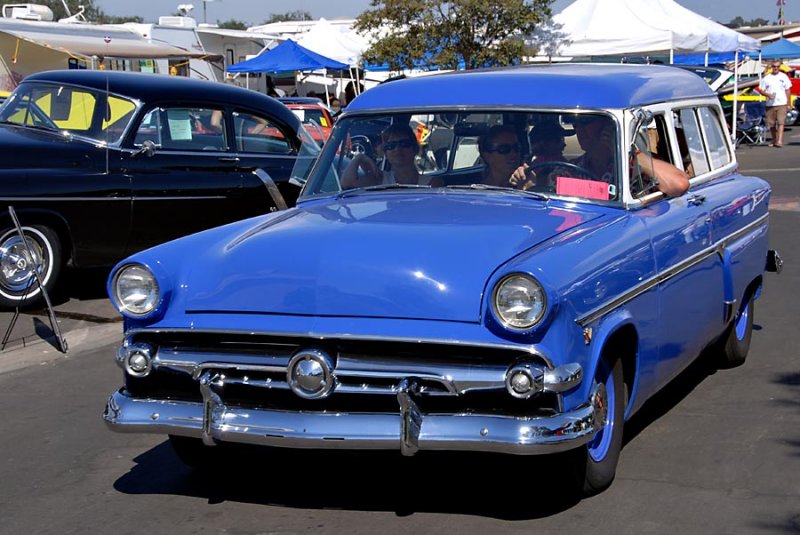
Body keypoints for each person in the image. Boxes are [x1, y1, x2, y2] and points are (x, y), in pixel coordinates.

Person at [341, 124, 442, 189]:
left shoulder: (432, 184)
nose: (397, 149)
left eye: (404, 144)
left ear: (415, 149)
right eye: (391, 146)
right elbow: (347, 183)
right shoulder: (380, 179)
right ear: (385, 153)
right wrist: (360, 158)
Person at [756, 59, 793, 148]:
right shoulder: (767, 78)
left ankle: (779, 141)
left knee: (781, 122)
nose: (776, 68)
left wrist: (788, 103)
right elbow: (761, 90)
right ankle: (774, 139)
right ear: (771, 67)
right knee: (771, 124)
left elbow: (788, 90)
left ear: (780, 67)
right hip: (770, 104)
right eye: (774, 66)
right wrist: (767, 94)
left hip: (781, 103)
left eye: (777, 66)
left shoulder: (784, 77)